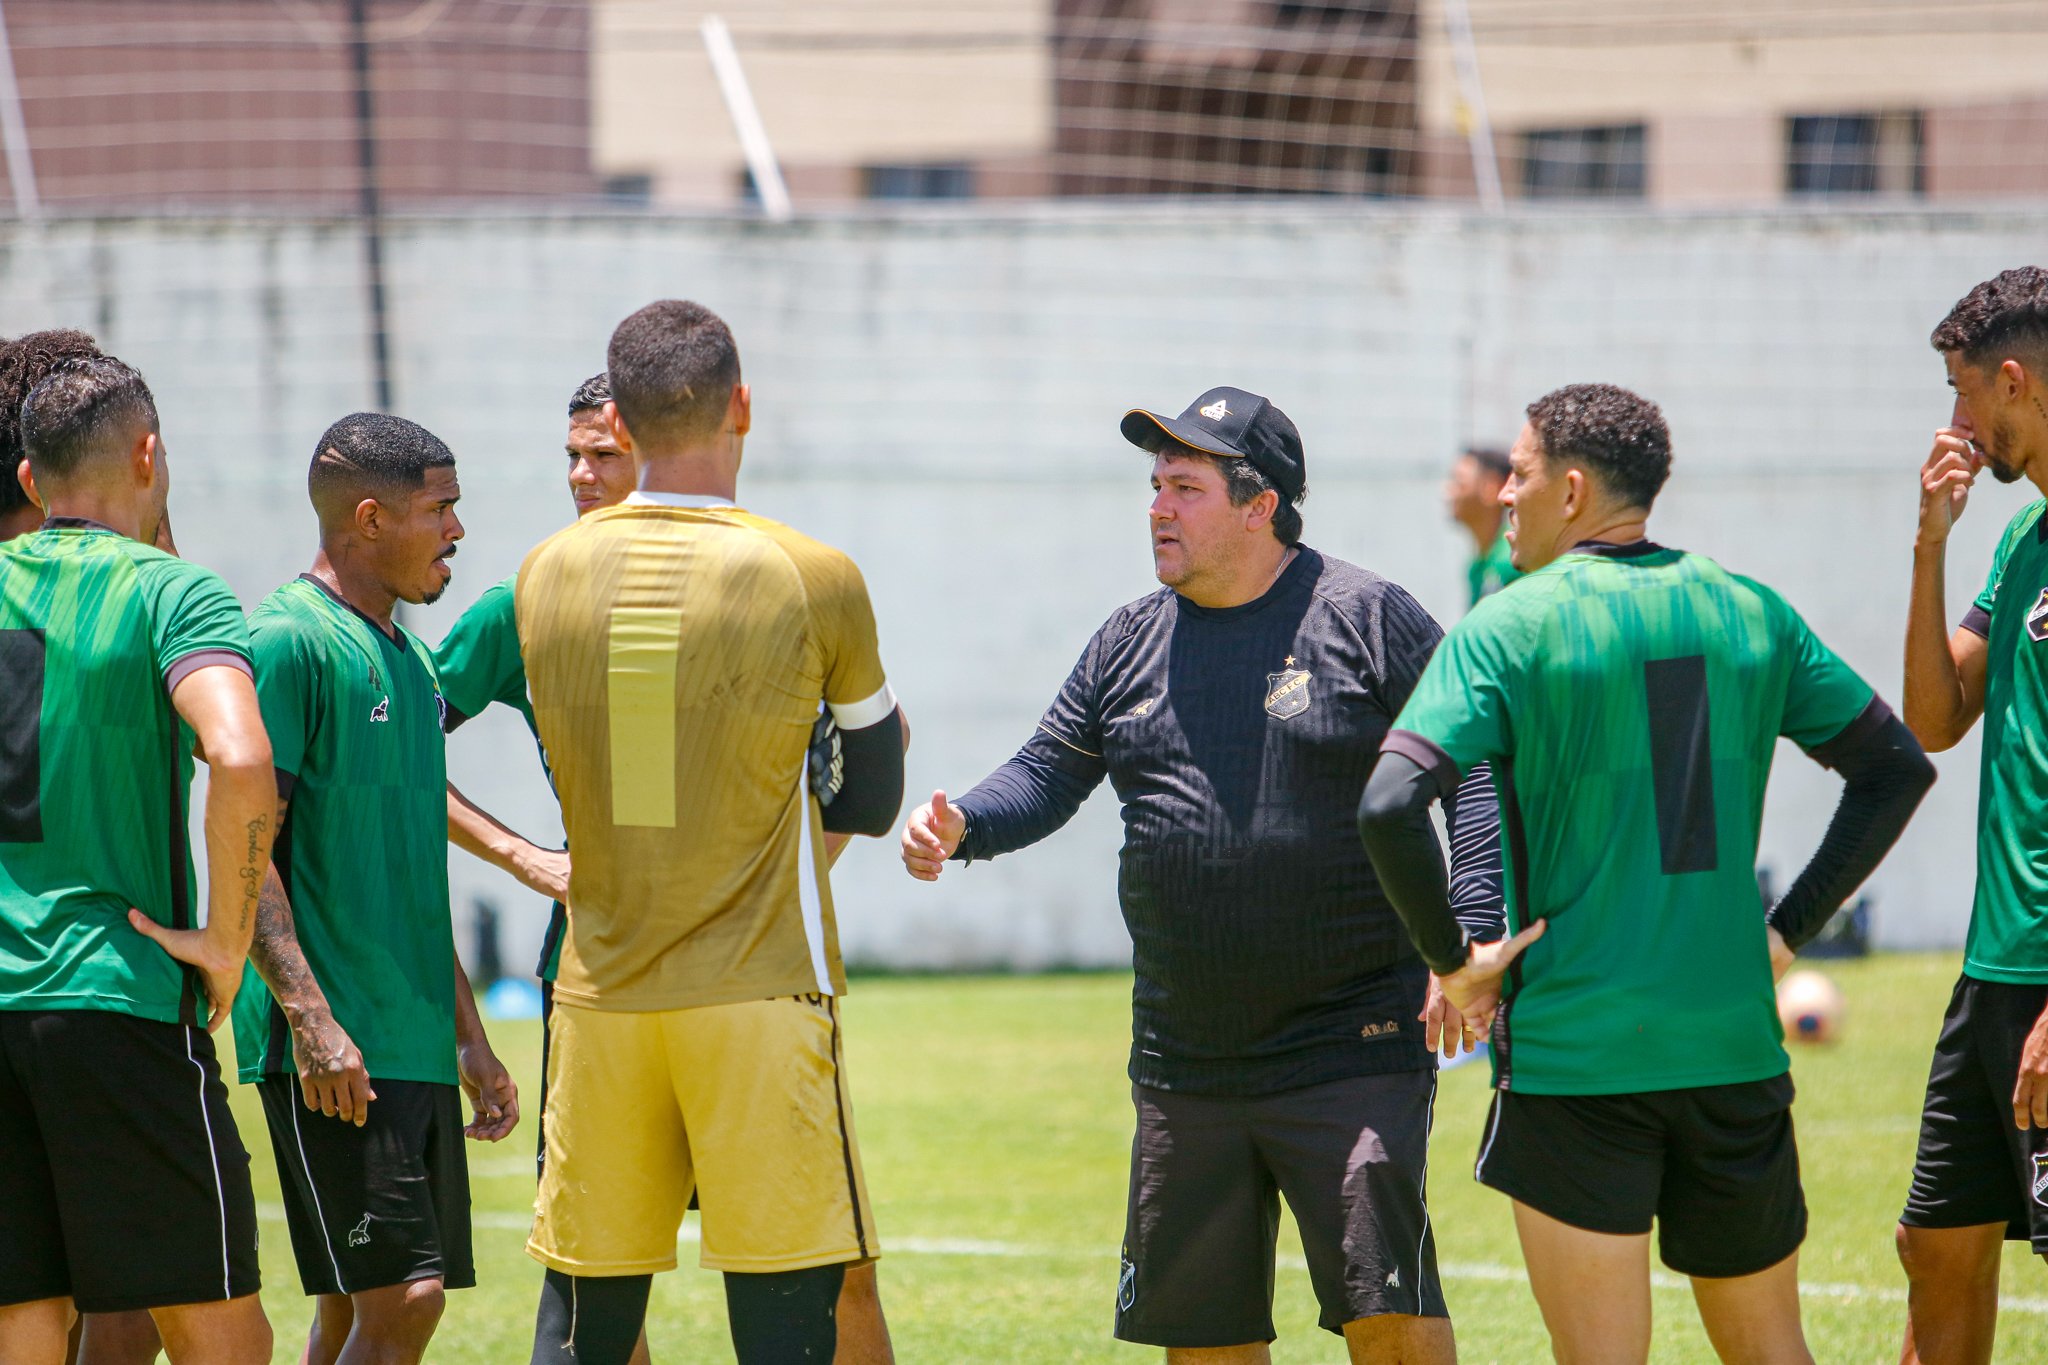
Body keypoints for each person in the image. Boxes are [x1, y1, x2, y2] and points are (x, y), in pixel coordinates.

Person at [901, 386, 1503, 1364]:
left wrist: (1469, 933)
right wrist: (962, 822)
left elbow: (1474, 763)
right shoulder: (1125, 640)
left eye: (1183, 487)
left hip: (1348, 1039)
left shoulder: (1365, 618)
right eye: (1154, 487)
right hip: (1185, 1054)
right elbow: (1046, 773)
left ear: (1258, 504)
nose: (1156, 508)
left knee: (1384, 1316)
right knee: (1204, 1340)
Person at [1358, 382, 1935, 1365]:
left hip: (1576, 1060)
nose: (1505, 495)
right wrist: (1784, 931)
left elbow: (1386, 802)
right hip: (1732, 1057)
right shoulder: (1749, 608)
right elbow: (1893, 769)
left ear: (1572, 490)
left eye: (1523, 474)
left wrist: (1453, 961)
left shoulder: (1507, 624)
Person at [434, 371, 898, 1364]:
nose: (580, 473)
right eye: (571, 455)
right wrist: (522, 856)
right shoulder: (532, 591)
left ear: (653, 442)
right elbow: (384, 746)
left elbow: (865, 765)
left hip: (711, 983)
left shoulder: (759, 579)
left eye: (601, 453)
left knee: (827, 1275)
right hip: (621, 975)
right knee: (608, 1278)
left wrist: (792, 865)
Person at [0, 357, 278, 1364]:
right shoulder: (174, 592)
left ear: (30, 482)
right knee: (215, 1322)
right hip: (114, 996)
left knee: (23, 1316)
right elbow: (241, 755)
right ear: (150, 454)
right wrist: (226, 942)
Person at [229, 412, 519, 1365]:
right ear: (368, 517)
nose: (457, 532)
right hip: (332, 1046)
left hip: (411, 1040)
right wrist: (310, 1018)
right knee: (406, 1298)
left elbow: (407, 871)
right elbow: (245, 848)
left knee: (361, 1312)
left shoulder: (408, 657)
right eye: (442, 509)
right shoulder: (285, 642)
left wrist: (468, 1037)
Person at [1898, 265, 2048, 1364]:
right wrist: (1928, 542)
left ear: (2011, 382)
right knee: (1933, 1243)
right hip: (1992, 972)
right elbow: (1934, 718)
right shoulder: (2020, 541)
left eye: (1960, 394)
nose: (1953, 422)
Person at [1444, 445, 1520, 606]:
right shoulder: (1476, 567)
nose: (1447, 492)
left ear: (1490, 488)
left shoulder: (1514, 560)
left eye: (1459, 482)